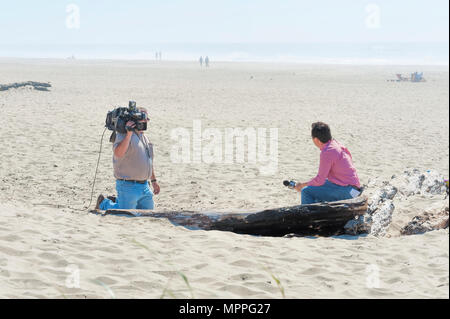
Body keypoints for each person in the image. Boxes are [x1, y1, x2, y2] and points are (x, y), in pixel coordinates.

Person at [96, 107, 160, 210]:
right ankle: (103, 203)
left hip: (145, 186)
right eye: (142, 117)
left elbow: (149, 162)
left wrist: (153, 181)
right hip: (128, 186)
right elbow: (118, 153)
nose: (146, 120)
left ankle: (117, 200)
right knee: (125, 213)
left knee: (148, 213)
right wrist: (129, 133)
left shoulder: (145, 137)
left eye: (146, 117)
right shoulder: (123, 135)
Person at [294, 122, 361, 204]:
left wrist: (301, 185)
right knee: (315, 186)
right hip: (354, 189)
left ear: (316, 140)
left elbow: (319, 181)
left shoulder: (327, 152)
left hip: (349, 192)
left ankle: (308, 216)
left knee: (306, 191)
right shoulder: (336, 144)